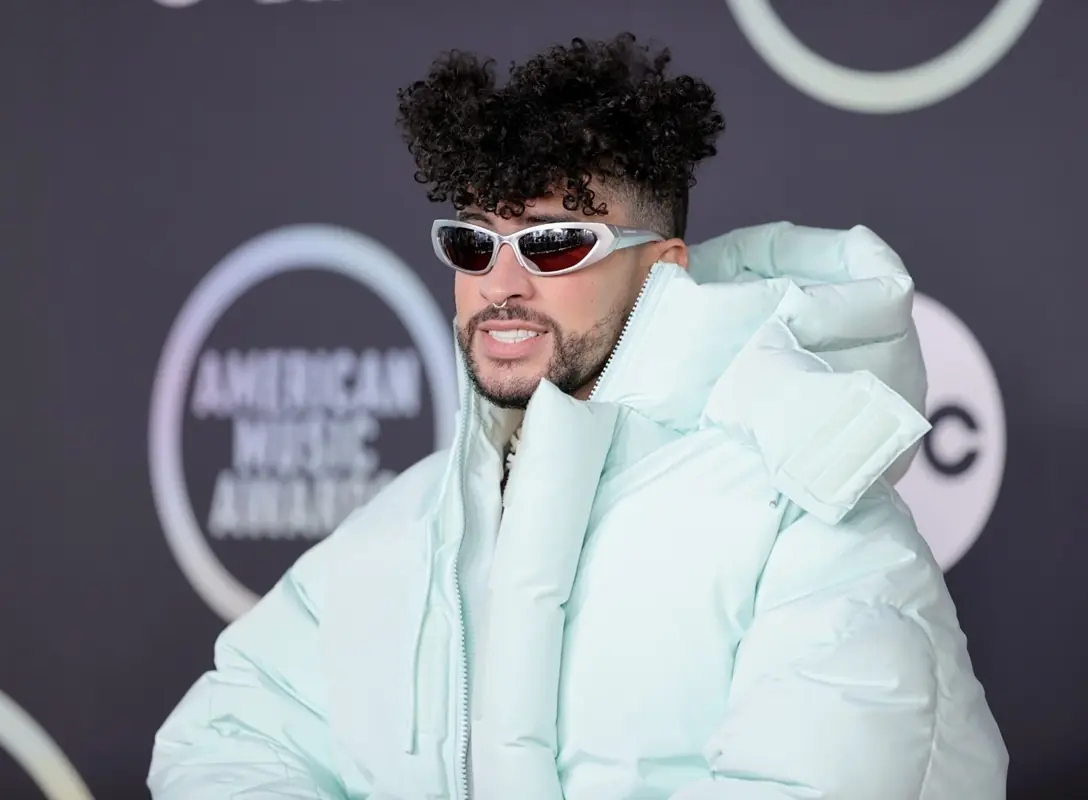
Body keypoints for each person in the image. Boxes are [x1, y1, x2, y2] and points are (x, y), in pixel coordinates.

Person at [147, 32, 1007, 800]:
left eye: (553, 243)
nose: (501, 284)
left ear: (663, 268)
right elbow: (226, 741)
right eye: (473, 242)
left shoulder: (804, 514)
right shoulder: (414, 524)